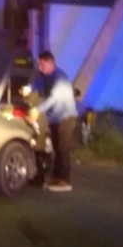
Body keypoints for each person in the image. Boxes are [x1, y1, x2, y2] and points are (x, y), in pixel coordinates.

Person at [29, 51, 78, 192]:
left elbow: (53, 99)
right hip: (55, 118)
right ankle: (57, 177)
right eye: (39, 65)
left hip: (65, 118)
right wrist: (29, 88)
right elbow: (39, 83)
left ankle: (65, 180)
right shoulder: (46, 76)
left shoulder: (60, 79)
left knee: (63, 149)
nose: (40, 68)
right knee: (56, 148)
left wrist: (37, 110)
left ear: (51, 63)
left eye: (42, 65)